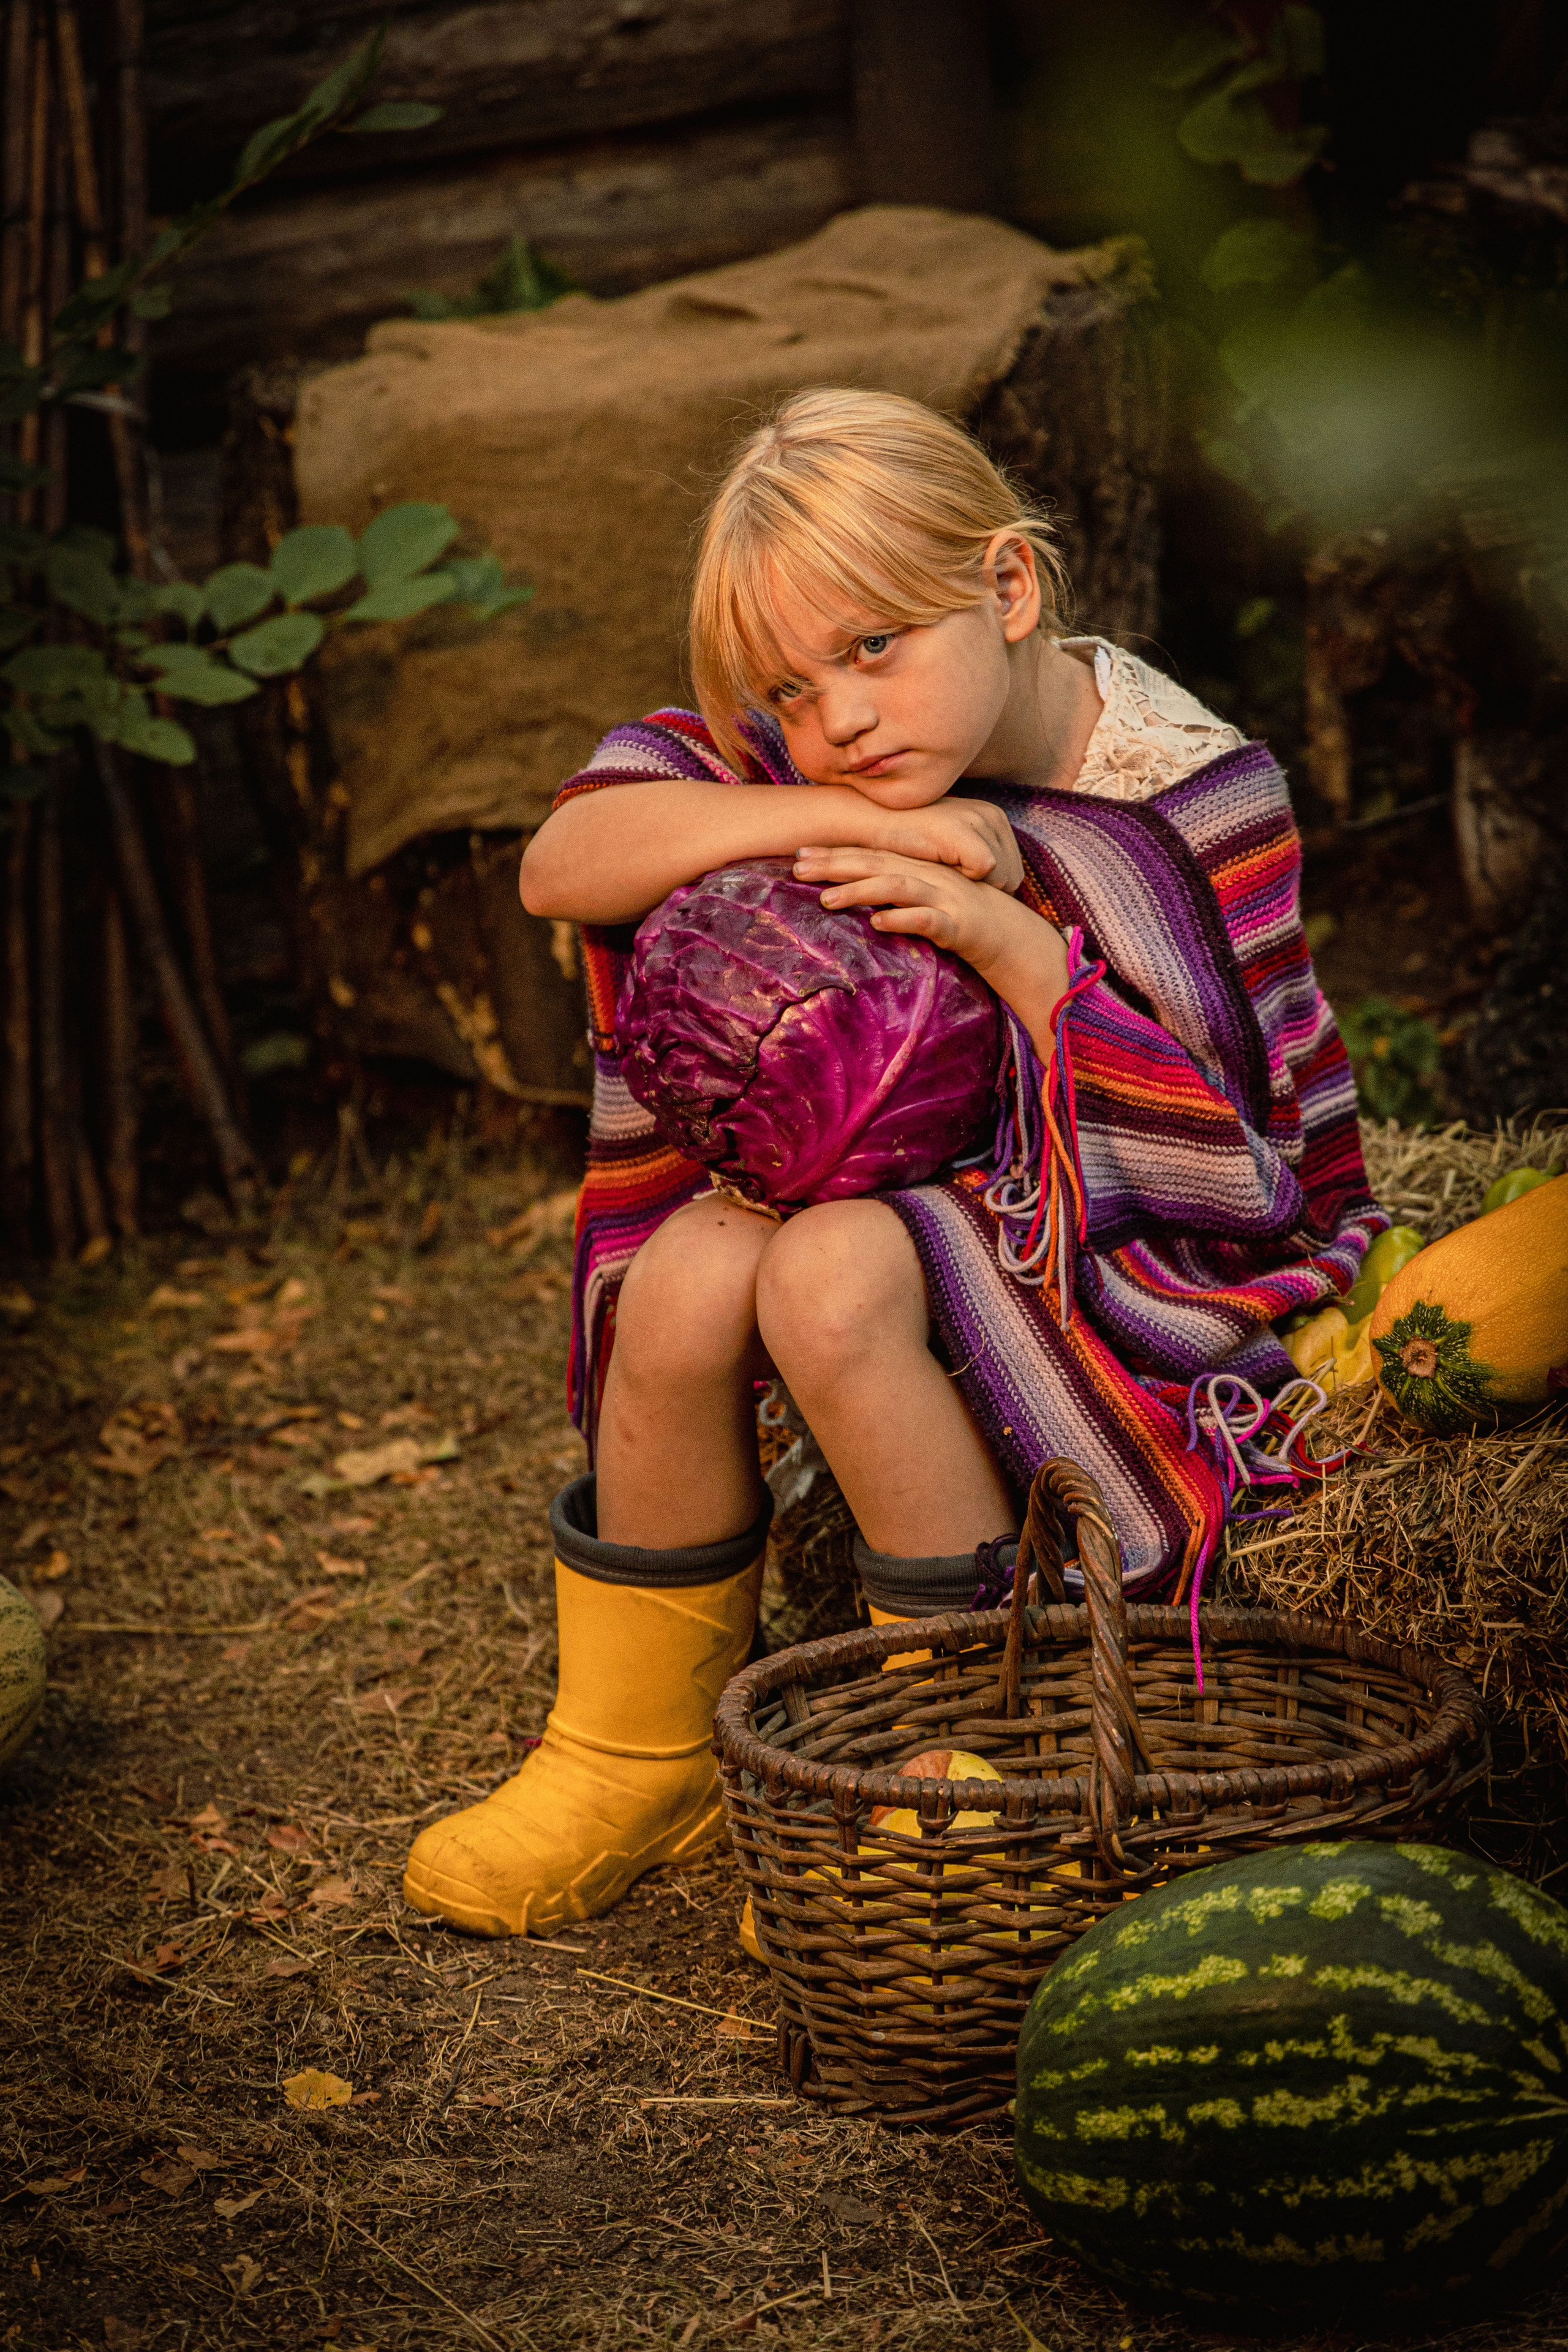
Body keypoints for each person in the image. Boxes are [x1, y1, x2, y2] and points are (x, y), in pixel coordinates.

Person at [402, 388, 1384, 1940]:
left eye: (874, 648)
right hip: (886, 1161)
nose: (844, 717)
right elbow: (561, 865)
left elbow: (1226, 1143)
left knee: (831, 1272)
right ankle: (630, 1754)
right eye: (792, 690)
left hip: (1115, 1215)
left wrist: (1007, 922)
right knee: (682, 1275)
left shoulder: (1189, 789)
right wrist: (810, 814)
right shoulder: (806, 758)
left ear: (1007, 588)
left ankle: (958, 1745)